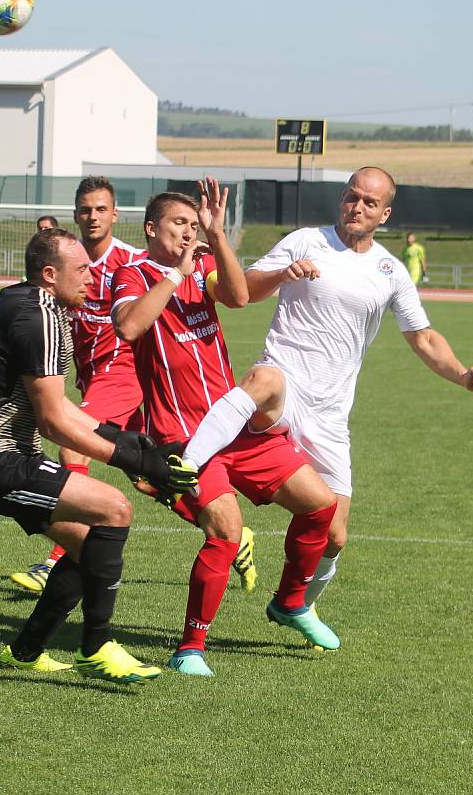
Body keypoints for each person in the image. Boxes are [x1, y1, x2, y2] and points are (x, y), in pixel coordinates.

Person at [181, 166, 473, 651]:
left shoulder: (390, 271)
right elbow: (239, 290)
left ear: (385, 213)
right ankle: (188, 460)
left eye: (370, 203)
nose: (357, 207)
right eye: (352, 197)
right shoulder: (306, 240)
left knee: (334, 535)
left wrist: (463, 376)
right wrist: (283, 272)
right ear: (342, 199)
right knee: (263, 380)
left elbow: (424, 337)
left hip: (331, 414)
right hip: (283, 388)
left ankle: (294, 604)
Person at [0, 227, 196, 684]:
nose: (91, 277)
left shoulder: (37, 305)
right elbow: (53, 422)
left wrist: (128, 443)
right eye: (80, 269)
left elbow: (62, 409)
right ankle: (97, 646)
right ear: (48, 274)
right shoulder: (36, 315)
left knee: (88, 544)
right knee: (113, 509)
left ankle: (25, 653)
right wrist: (132, 460)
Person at [111, 178, 339, 676]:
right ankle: (190, 649)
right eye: (180, 224)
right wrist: (175, 275)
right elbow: (130, 327)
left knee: (321, 507)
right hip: (183, 435)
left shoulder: (205, 264)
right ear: (151, 228)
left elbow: (237, 297)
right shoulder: (131, 274)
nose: (188, 232)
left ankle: (291, 603)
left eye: (195, 225)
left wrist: (216, 238)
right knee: (226, 531)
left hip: (235, 424)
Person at [12, 176, 257, 594]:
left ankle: (58, 558)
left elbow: (137, 321)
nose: (93, 217)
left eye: (101, 209)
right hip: (103, 376)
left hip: (122, 371)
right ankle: (231, 532)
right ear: (75, 215)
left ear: (115, 216)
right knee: (148, 476)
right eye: (85, 210)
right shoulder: (65, 263)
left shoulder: (129, 263)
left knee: (73, 444)